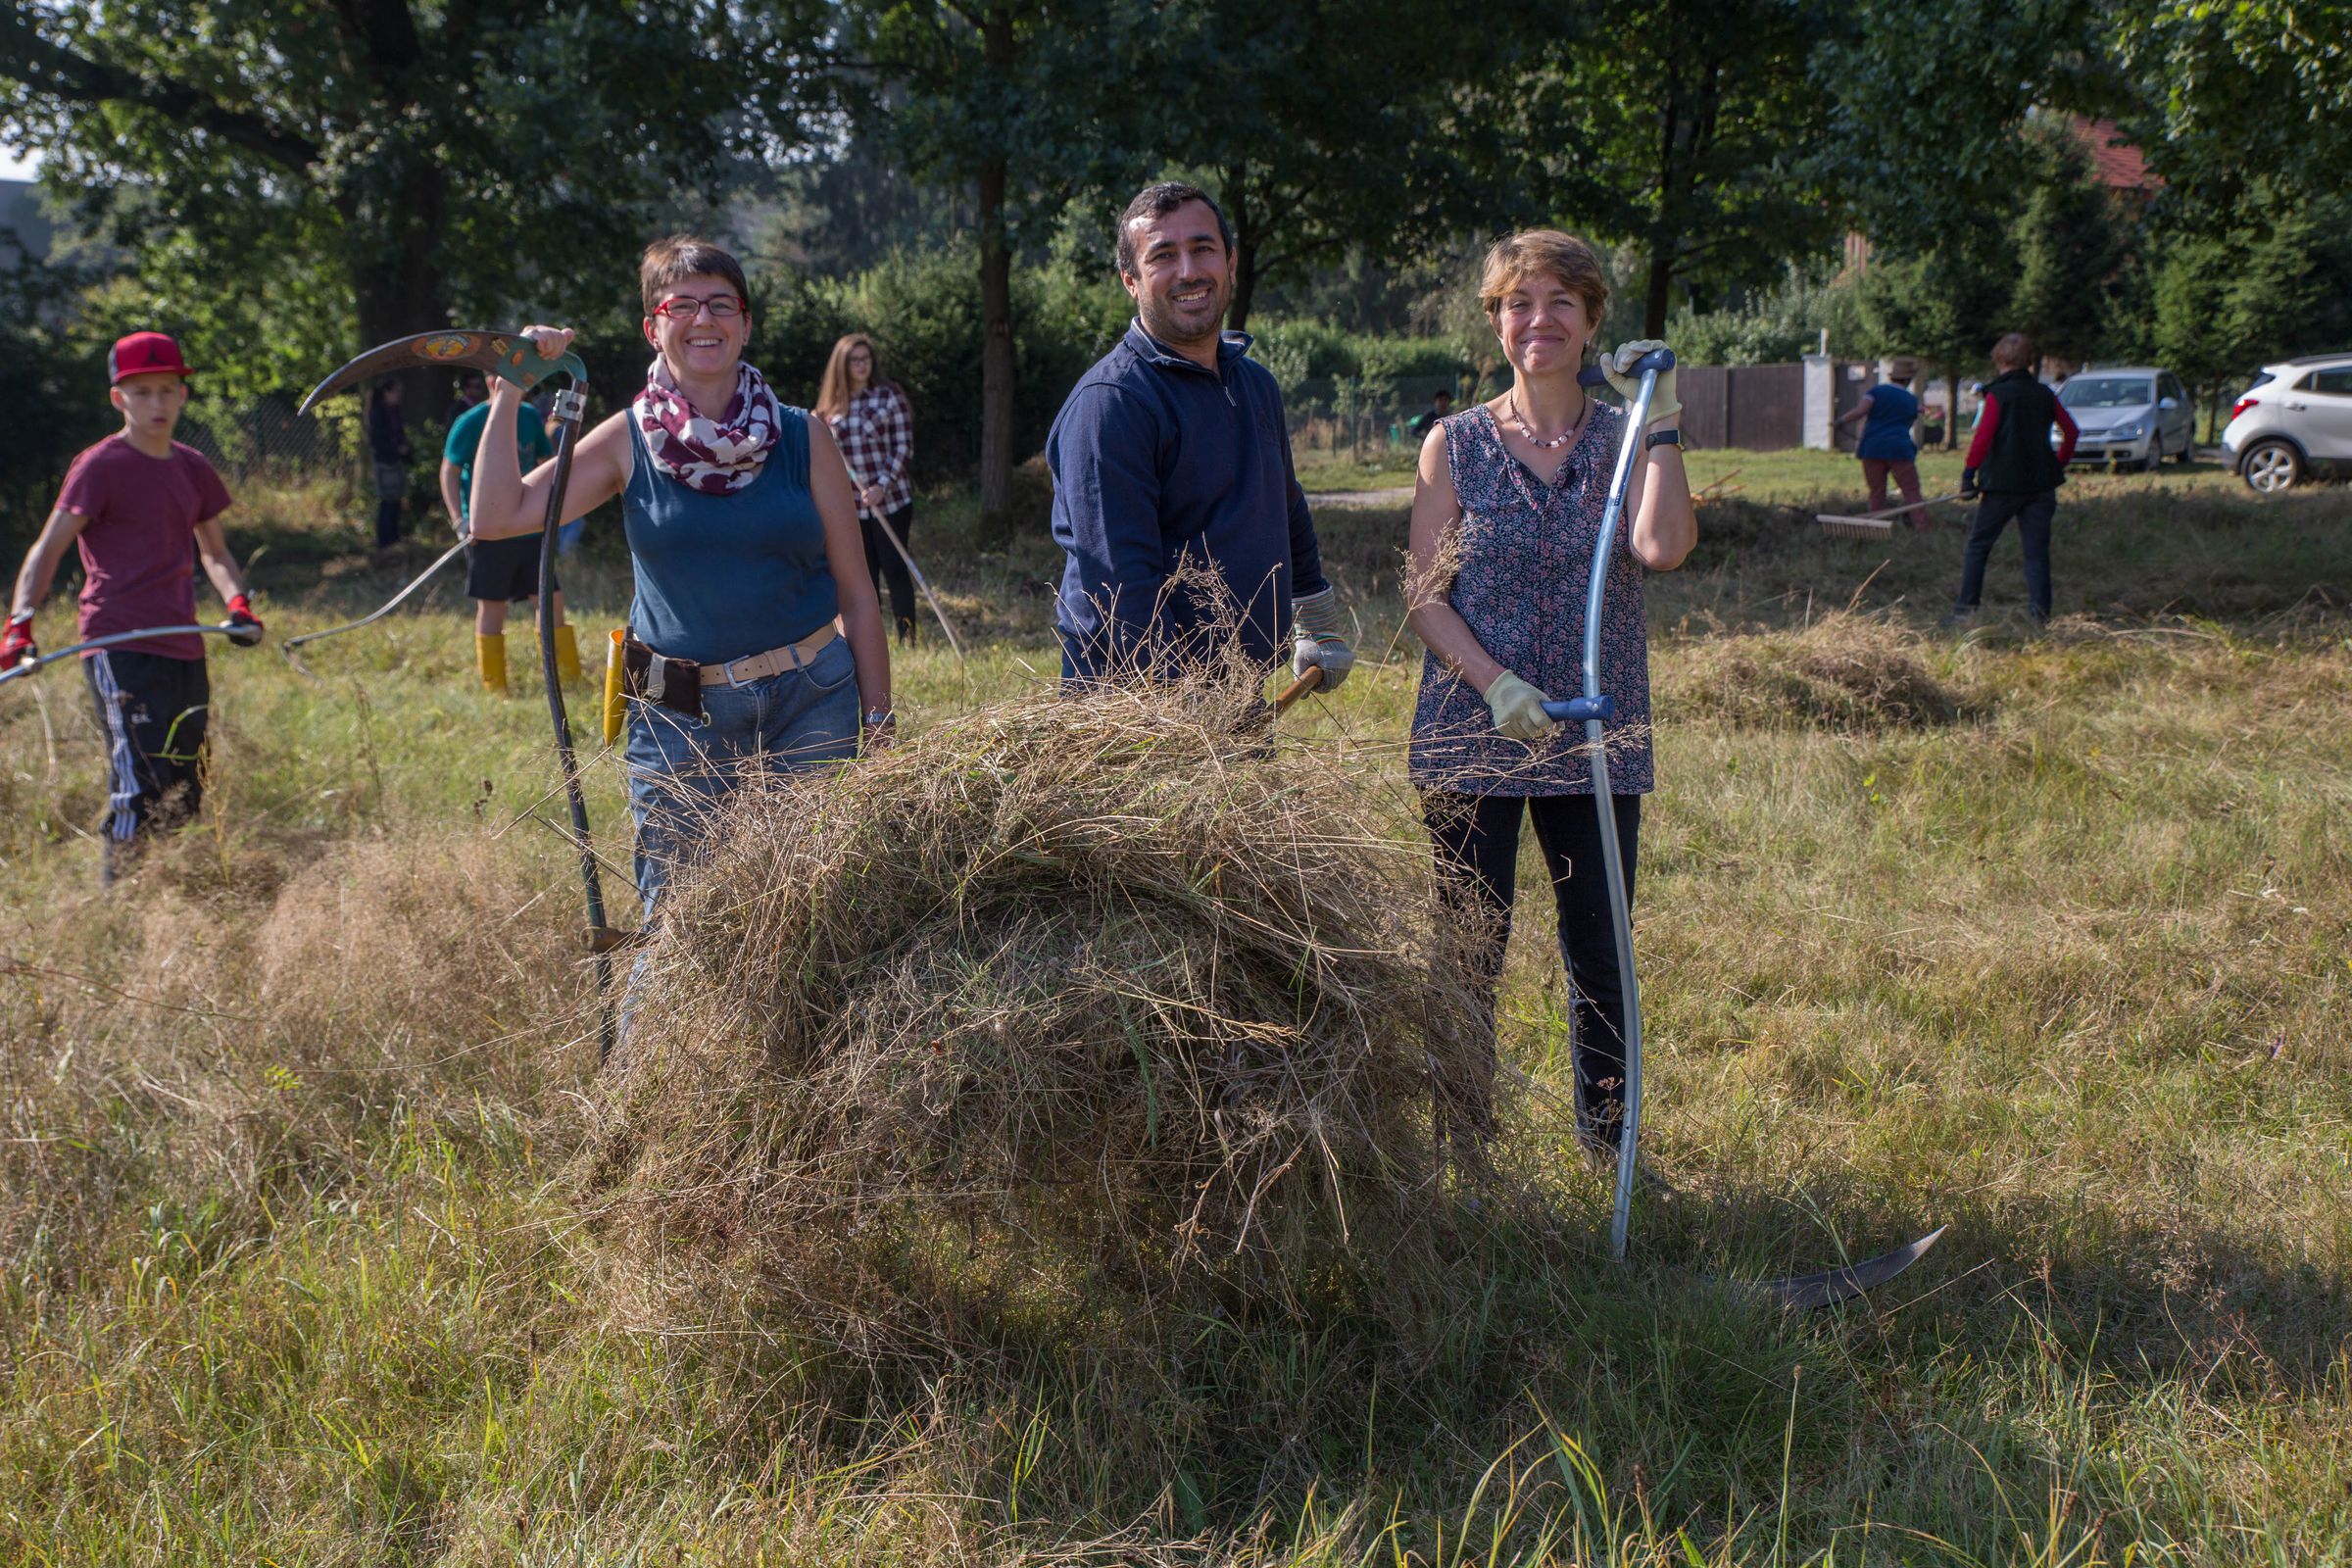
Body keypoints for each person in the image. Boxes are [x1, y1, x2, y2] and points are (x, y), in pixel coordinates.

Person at [465, 234, 892, 922]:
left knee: (818, 917)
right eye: (682, 304)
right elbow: (496, 516)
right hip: (680, 718)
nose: (704, 320)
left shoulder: (804, 435)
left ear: (747, 324)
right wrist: (511, 386)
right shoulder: (625, 440)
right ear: (653, 326)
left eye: (722, 304)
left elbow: (857, 594)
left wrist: (879, 724)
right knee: (678, 928)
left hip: (814, 703)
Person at [1402, 230, 1696, 1165]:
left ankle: (1608, 1144)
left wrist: (1664, 423)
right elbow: (1423, 596)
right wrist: (1494, 683)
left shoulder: (1623, 439)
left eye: (1561, 302)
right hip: (1470, 731)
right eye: (1519, 303)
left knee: (1601, 952)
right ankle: (1466, 1150)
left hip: (1594, 735)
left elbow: (1662, 548)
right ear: (1496, 323)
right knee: (1468, 955)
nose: (1541, 320)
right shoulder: (1453, 444)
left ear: (1592, 320)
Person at [1048, 180, 1351, 691]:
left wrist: (1316, 616)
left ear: (1230, 262)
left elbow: (1285, 504)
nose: (1189, 271)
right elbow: (1124, 587)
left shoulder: (1255, 385)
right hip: (1136, 708)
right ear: (1131, 280)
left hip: (1238, 688)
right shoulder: (1112, 403)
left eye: (1202, 249)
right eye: (1163, 256)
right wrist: (1188, 706)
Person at [2, 332, 263, 882]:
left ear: (183, 395)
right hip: (118, 643)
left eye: (168, 390)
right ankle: (119, 900)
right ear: (119, 398)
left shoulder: (191, 468)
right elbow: (47, 549)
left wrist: (238, 602)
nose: (157, 403)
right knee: (139, 782)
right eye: (142, 392)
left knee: (187, 783)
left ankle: (162, 888)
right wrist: (19, 625)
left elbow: (215, 552)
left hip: (182, 642)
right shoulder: (100, 466)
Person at [441, 386, 573, 694]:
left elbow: (546, 461)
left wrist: (549, 507)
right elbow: (449, 470)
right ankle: (495, 688)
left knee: (551, 601)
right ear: (490, 380)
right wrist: (459, 520)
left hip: (530, 528)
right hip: (488, 532)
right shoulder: (471, 421)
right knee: (493, 607)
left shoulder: (528, 415)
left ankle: (565, 680)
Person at [1950, 332, 2078, 624]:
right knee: (2036, 553)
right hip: (2041, 485)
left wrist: (1969, 474)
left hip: (2002, 486)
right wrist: (2058, 465)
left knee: (1978, 546)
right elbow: (2071, 432)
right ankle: (2040, 616)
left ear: (2001, 359)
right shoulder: (2045, 394)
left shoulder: (1998, 395)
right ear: (2028, 361)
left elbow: (1983, 437)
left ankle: (1965, 611)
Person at [813, 333, 918, 644]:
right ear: (841, 365)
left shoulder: (889, 396)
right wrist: (818, 426)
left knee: (895, 568)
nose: (861, 365)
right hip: (852, 506)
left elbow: (903, 447)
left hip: (891, 501)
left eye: (866, 359)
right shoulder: (830, 407)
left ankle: (907, 635)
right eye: (854, 360)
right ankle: (869, 637)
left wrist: (882, 486)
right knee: (862, 574)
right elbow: (825, 455)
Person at [1837, 357, 1931, 530]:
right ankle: (1921, 526)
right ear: (1909, 379)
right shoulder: (1911, 400)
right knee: (1911, 490)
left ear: (1891, 377)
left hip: (1873, 447)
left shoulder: (1875, 392)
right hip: (1899, 449)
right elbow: (1910, 422)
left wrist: (1841, 421)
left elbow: (1861, 411)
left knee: (1877, 491)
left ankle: (1875, 526)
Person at [366, 374, 413, 551]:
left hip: (396, 462)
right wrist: (396, 450)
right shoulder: (379, 412)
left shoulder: (394, 411)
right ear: (386, 392)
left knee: (396, 502)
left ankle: (393, 539)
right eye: (396, 391)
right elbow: (377, 441)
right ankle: (384, 542)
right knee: (388, 502)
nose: (399, 395)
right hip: (386, 463)